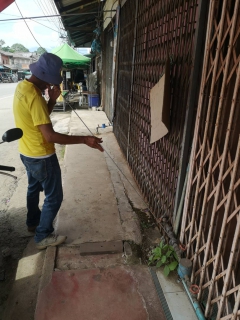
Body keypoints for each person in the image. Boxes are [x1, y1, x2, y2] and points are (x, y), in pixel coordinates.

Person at [13, 53, 104, 250]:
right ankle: (42, 235)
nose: (50, 86)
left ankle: (32, 223)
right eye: (50, 82)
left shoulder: (22, 87)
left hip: (26, 152)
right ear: (44, 76)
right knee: (54, 197)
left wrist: (52, 100)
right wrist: (85, 139)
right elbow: (50, 136)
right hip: (41, 155)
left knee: (33, 188)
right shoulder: (35, 96)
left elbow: (38, 119)